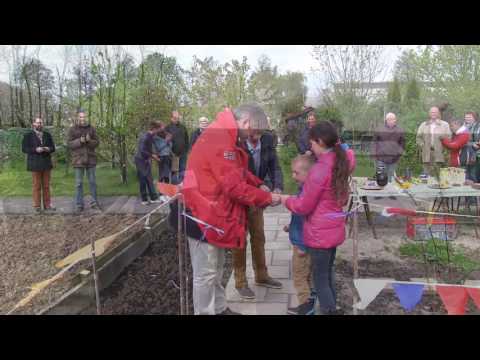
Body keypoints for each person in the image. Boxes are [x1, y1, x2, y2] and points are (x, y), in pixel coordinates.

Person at [181, 103, 282, 315]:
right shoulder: (220, 139)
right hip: (203, 214)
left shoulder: (227, 135)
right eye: (255, 131)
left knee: (216, 269)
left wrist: (256, 182)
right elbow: (233, 186)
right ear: (246, 122)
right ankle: (206, 312)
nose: (254, 137)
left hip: (214, 214)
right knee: (205, 274)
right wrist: (266, 196)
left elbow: (239, 172)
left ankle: (218, 308)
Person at [280, 121, 355, 315]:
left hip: (319, 234)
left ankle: (330, 310)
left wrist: (285, 199)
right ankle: (332, 307)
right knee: (327, 275)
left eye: (311, 143)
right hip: (333, 230)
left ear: (320, 141)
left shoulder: (320, 169)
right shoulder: (340, 162)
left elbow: (303, 206)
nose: (310, 148)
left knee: (320, 279)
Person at [232, 127, 284, 299]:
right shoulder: (237, 143)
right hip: (239, 198)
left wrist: (277, 187)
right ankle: (240, 282)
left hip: (256, 198)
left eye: (257, 133)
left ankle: (261, 276)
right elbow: (237, 174)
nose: (253, 136)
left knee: (259, 236)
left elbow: (275, 167)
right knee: (239, 241)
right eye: (251, 132)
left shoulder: (268, 142)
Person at [284, 154, 317, 315]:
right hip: (305, 241)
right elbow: (301, 219)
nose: (293, 176)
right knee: (308, 275)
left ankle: (306, 307)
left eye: (296, 173)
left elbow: (307, 219)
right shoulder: (307, 190)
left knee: (299, 276)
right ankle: (312, 302)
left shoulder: (306, 194)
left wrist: (302, 245)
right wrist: (290, 226)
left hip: (302, 244)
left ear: (308, 173)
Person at [67, 109, 100, 212]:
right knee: (79, 183)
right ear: (77, 117)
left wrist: (90, 141)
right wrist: (79, 141)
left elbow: (97, 143)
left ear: (86, 117)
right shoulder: (72, 130)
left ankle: (94, 203)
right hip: (78, 160)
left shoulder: (92, 129)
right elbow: (69, 144)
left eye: (84, 117)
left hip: (91, 159)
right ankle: (79, 204)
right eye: (80, 117)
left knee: (92, 182)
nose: (82, 119)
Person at [21, 117, 56, 214]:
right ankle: (37, 206)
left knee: (46, 186)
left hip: (46, 163)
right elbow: (24, 149)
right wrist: (35, 150)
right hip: (35, 164)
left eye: (41, 123)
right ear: (34, 124)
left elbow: (53, 148)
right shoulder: (28, 135)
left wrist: (48, 149)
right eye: (38, 123)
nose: (39, 124)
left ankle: (47, 205)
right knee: (36, 186)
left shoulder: (47, 135)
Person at [135, 121, 165, 205]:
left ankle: (153, 198)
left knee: (148, 179)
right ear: (155, 129)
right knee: (143, 179)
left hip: (145, 160)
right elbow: (142, 150)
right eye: (159, 129)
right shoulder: (146, 137)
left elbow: (148, 149)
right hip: (140, 160)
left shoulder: (151, 136)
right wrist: (153, 156)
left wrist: (152, 155)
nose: (159, 131)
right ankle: (144, 199)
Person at [416, 106, 452, 176]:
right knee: (426, 174)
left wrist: (443, 139)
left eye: (435, 112)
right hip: (426, 153)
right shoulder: (423, 125)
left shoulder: (445, 125)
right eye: (432, 112)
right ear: (429, 114)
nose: (433, 114)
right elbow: (418, 138)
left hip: (440, 153)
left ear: (438, 113)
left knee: (438, 175)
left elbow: (449, 138)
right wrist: (422, 145)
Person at [371, 112, 405, 182]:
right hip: (381, 159)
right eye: (389, 119)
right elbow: (374, 143)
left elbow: (402, 144)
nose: (391, 121)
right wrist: (374, 154)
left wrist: (398, 154)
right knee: (381, 178)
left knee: (390, 180)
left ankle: (390, 191)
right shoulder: (379, 129)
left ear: (395, 120)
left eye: (393, 119)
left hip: (394, 160)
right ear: (386, 120)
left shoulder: (400, 130)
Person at [165, 110, 189, 184]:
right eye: (175, 118)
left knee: (183, 171)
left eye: (178, 118)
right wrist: (169, 152)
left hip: (183, 154)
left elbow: (187, 139)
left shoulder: (183, 127)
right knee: (174, 172)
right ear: (171, 118)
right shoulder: (167, 128)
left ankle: (182, 188)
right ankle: (174, 188)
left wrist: (186, 151)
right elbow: (165, 142)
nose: (177, 120)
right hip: (173, 154)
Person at [464, 112, 480, 181]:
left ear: (474, 118)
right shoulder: (463, 127)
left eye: (470, 117)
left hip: (476, 154)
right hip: (465, 154)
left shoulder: (478, 127)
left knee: (474, 175)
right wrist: (471, 144)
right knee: (466, 175)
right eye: (466, 117)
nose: (467, 119)